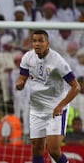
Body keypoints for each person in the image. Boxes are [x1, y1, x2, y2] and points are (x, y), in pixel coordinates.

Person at [16, 30, 81, 163]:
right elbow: (22, 77)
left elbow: (76, 87)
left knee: (54, 150)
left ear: (48, 43)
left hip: (55, 109)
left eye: (41, 41)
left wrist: (60, 106)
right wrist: (20, 83)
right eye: (34, 41)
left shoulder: (58, 61)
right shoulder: (27, 57)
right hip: (37, 108)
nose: (37, 44)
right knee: (37, 148)